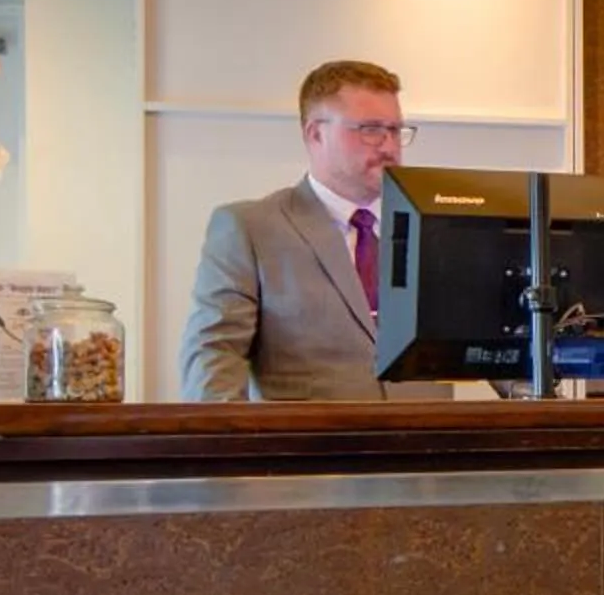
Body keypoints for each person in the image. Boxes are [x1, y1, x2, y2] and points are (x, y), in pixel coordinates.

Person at [178, 58, 449, 401]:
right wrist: (229, 433)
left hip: (426, 434)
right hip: (311, 436)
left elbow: (488, 342)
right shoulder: (250, 229)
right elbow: (214, 355)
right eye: (370, 129)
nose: (388, 147)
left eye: (395, 130)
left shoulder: (435, 228)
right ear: (315, 133)